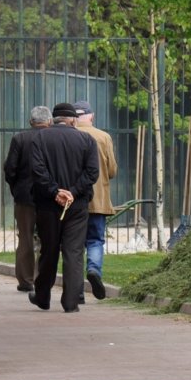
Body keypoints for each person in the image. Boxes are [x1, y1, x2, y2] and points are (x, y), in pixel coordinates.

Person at [29, 103, 99, 313]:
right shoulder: (87, 140)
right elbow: (92, 172)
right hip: (76, 206)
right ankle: (70, 301)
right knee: (74, 252)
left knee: (49, 251)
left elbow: (37, 170)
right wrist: (73, 192)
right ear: (72, 120)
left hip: (48, 205)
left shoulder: (40, 138)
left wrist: (55, 192)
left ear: (54, 119)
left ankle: (42, 296)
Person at [3, 106, 52, 293]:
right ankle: (42, 277)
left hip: (24, 197)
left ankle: (26, 279)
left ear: (31, 121)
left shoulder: (19, 139)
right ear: (49, 121)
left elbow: (10, 169)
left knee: (25, 238)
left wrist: (16, 188)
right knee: (47, 238)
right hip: (48, 195)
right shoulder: (52, 138)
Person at [74, 100, 118, 302]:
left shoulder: (69, 136)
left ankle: (76, 291)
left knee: (73, 245)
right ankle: (93, 269)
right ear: (91, 116)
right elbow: (111, 170)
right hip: (98, 199)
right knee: (95, 240)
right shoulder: (103, 137)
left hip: (73, 199)